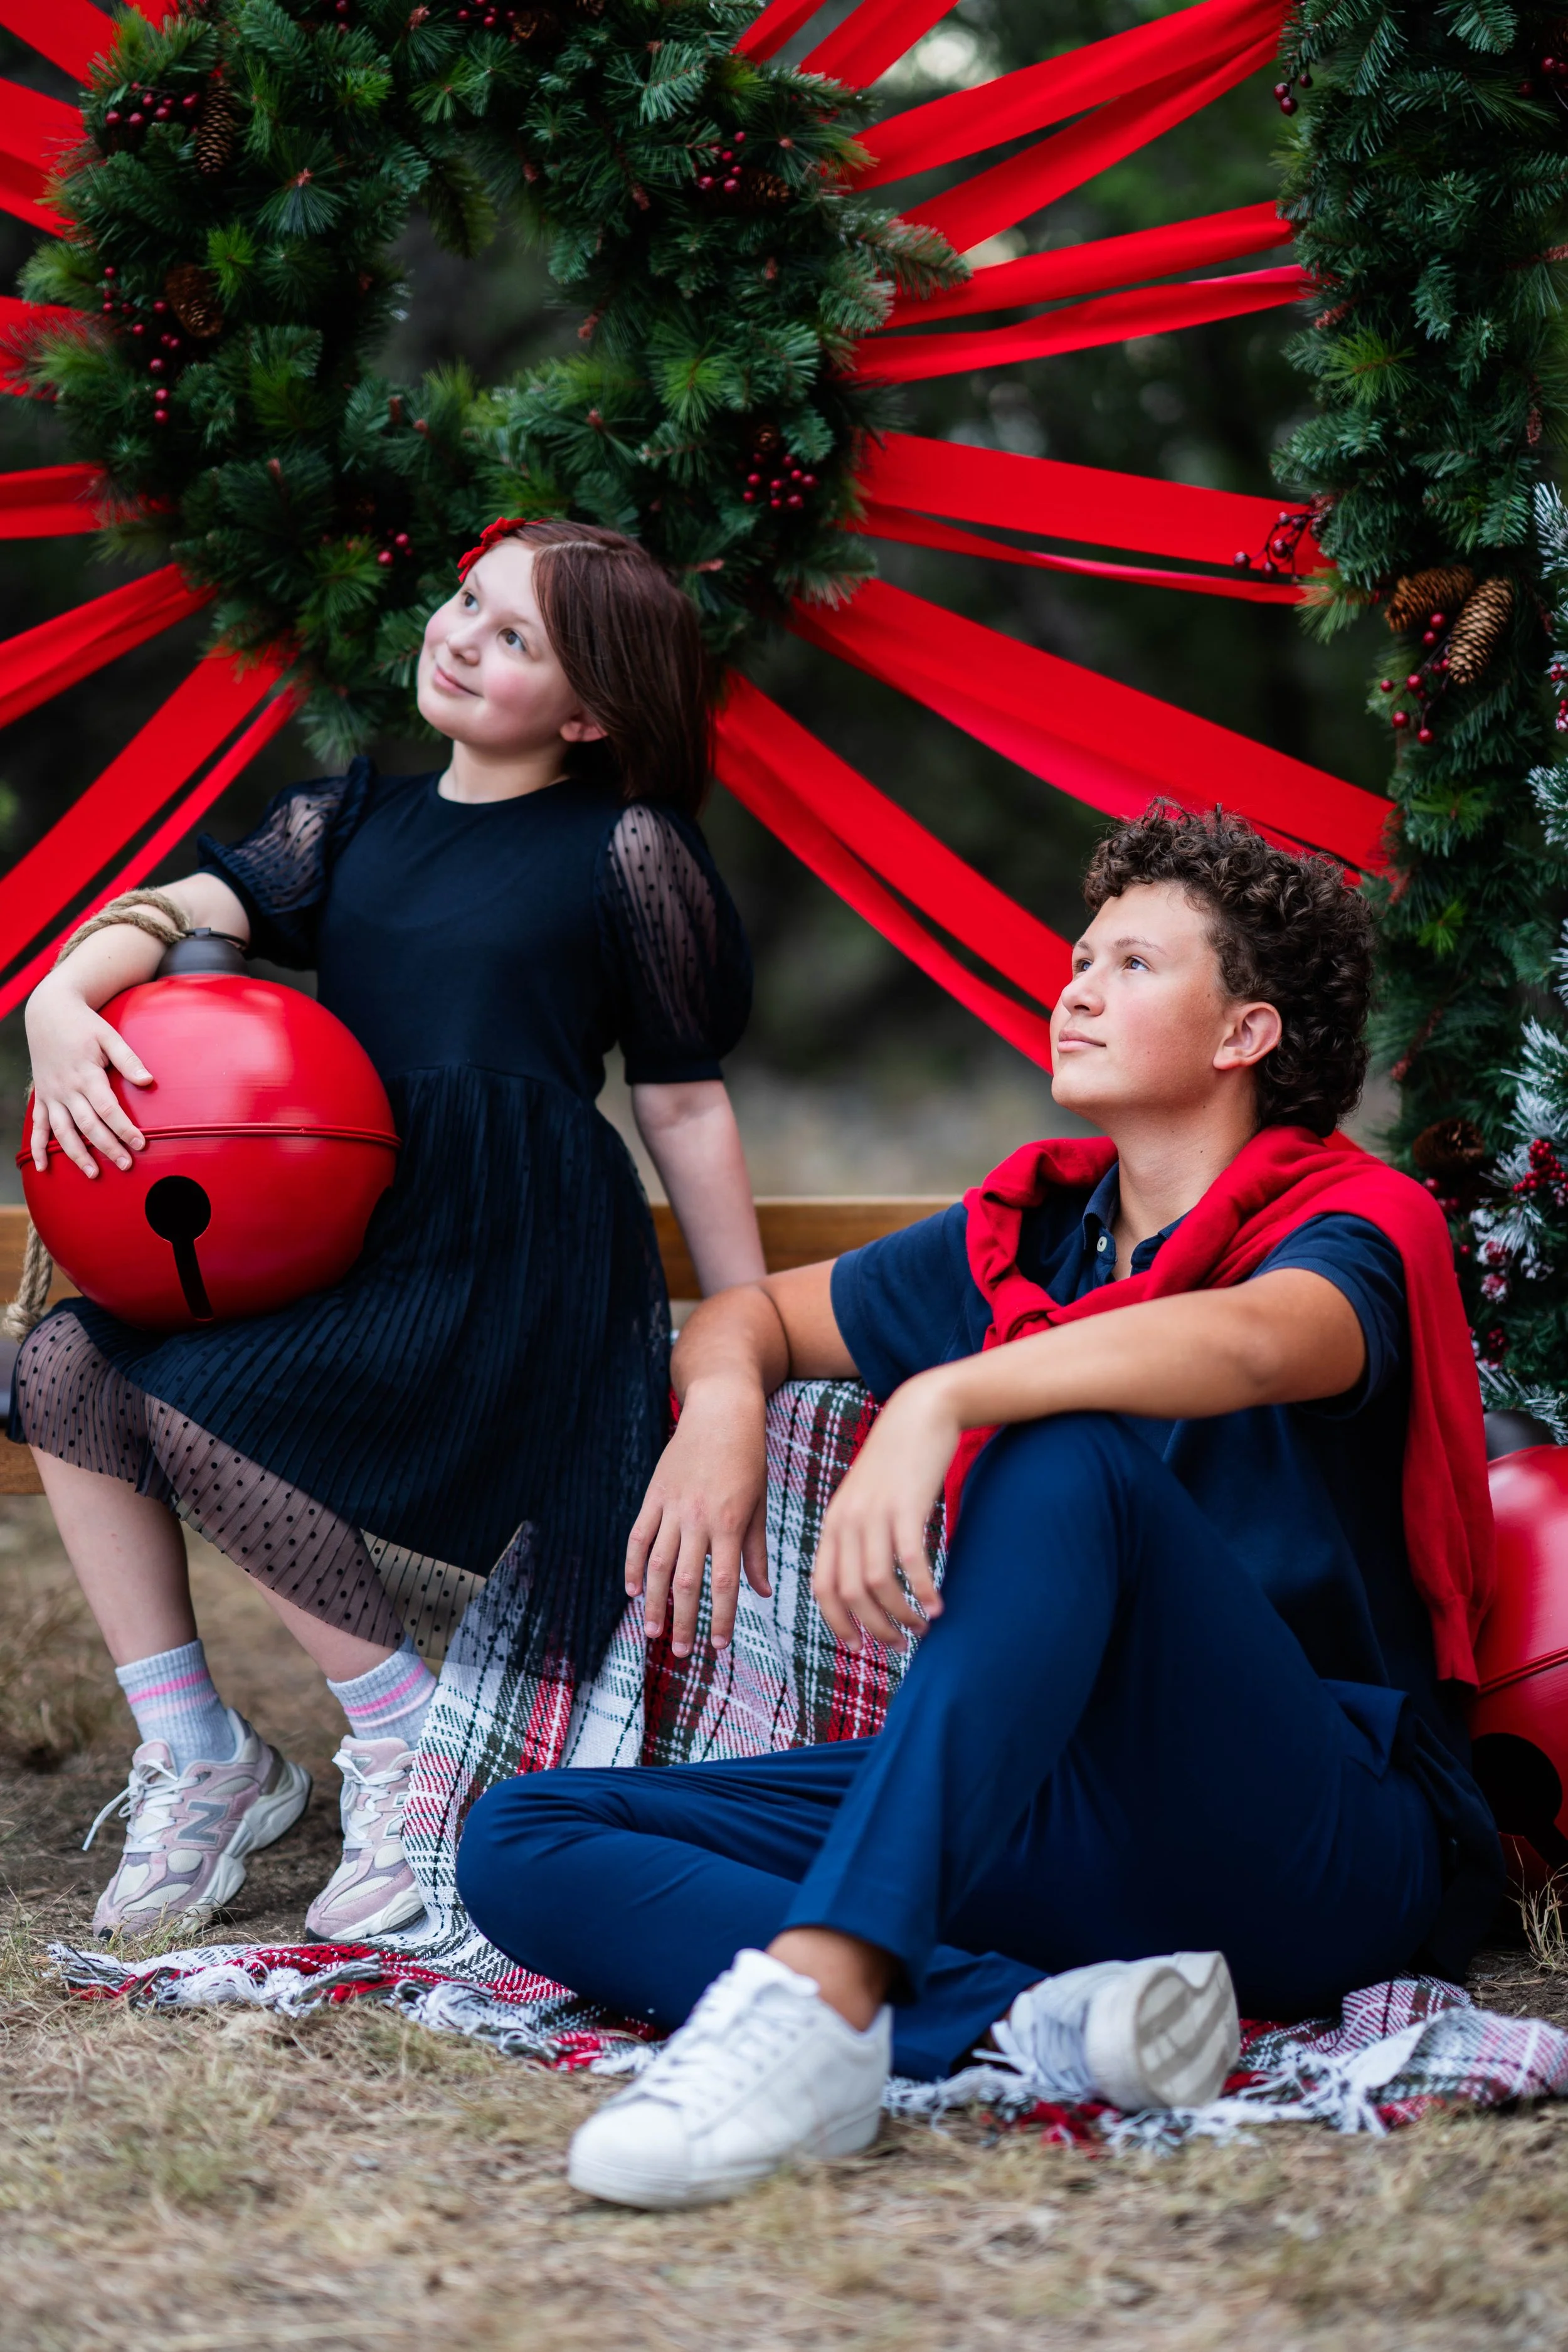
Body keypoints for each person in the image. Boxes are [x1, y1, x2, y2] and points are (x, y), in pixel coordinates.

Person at [455, 807, 1505, 2210]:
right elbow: (751, 1318)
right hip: (1061, 1820)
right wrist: (717, 1408)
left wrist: (952, 1396)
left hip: (1317, 1831)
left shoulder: (1355, 1222)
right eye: (1078, 955)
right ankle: (1026, 2025)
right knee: (524, 1839)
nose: (1073, 985)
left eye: (1131, 964)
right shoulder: (1028, 1237)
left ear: (1242, 1033)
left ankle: (823, 2011)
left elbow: (1259, 1341)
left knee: (1053, 1446)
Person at [18, 518, 763, 1942]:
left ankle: (416, 1753)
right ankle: (208, 1759)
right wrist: (64, 997)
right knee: (61, 1368)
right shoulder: (351, 819)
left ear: (593, 708)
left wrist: (747, 1342)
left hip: (505, 1242)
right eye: (466, 603)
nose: (462, 636)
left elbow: (682, 1104)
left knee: (206, 1410)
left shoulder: (628, 847)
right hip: (338, 1221)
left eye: (515, 639)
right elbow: (185, 901)